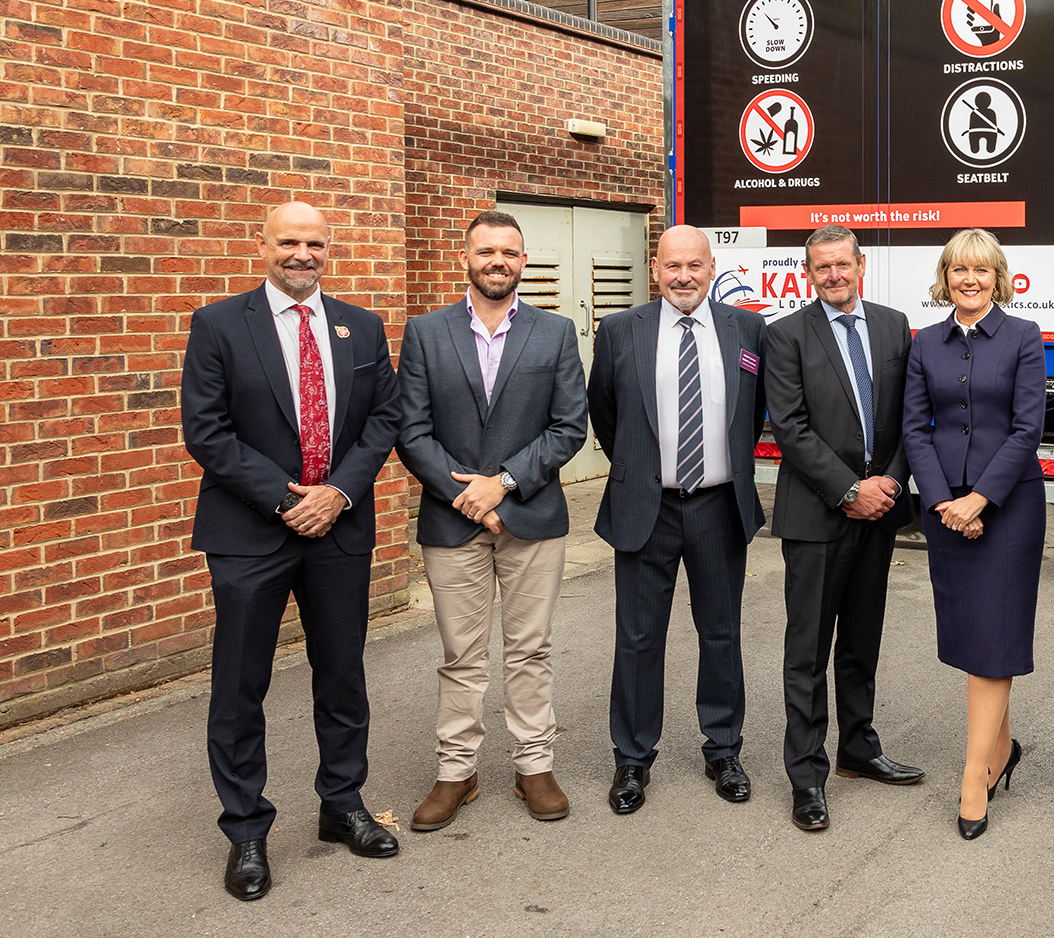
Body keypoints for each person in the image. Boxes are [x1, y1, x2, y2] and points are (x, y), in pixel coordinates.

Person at [179, 201, 403, 902]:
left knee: (342, 675)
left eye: (313, 242)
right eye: (287, 242)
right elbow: (207, 433)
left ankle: (342, 805)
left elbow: (384, 418)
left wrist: (335, 493)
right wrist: (286, 500)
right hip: (249, 533)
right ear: (262, 245)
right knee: (241, 685)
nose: (300, 254)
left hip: (338, 527)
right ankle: (246, 828)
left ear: (328, 248)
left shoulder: (359, 327)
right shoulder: (218, 324)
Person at [396, 211, 588, 831]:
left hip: (532, 516)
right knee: (461, 654)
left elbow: (568, 429)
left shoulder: (555, 334)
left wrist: (500, 484)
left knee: (531, 648)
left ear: (523, 261)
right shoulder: (425, 333)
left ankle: (535, 764)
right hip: (453, 521)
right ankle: (458, 772)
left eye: (509, 251)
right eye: (486, 251)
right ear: (466, 258)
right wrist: (468, 496)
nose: (497, 261)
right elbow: (411, 430)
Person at [587, 225, 767, 814]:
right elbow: (605, 413)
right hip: (648, 505)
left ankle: (723, 748)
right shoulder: (619, 332)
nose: (684, 276)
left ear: (712, 267)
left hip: (718, 505)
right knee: (638, 638)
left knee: (721, 633)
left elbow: (755, 409)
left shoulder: (747, 329)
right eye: (672, 266)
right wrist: (642, 469)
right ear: (655, 269)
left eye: (695, 265)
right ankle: (632, 759)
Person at [765, 225, 921, 832]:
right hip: (818, 516)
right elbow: (791, 427)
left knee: (861, 641)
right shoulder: (785, 335)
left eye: (842, 264)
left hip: (879, 511)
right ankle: (807, 775)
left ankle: (859, 748)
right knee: (808, 650)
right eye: (820, 267)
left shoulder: (890, 325)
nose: (833, 275)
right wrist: (849, 490)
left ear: (860, 266)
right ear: (808, 273)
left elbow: (911, 414)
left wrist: (888, 484)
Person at [901, 229, 1047, 840]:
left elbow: (1027, 428)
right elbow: (914, 428)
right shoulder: (925, 342)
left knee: (994, 633)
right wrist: (942, 503)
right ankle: (1003, 746)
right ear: (945, 275)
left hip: (1007, 507)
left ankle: (971, 773)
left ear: (997, 276)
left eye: (981, 270)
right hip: (944, 509)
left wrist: (979, 499)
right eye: (959, 269)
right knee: (976, 633)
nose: (969, 279)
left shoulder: (1023, 337)